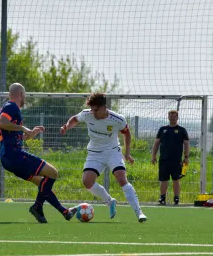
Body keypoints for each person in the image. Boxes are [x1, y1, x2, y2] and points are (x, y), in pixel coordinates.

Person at [60, 92, 147, 222]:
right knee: (87, 182)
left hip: (112, 151)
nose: (93, 113)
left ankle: (139, 212)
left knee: (121, 178)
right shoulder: (87, 114)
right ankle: (110, 201)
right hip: (94, 153)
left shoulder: (117, 119)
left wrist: (127, 154)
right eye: (92, 109)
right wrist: (67, 127)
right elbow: (74, 119)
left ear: (103, 108)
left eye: (96, 110)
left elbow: (127, 133)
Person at [0, 83, 74, 223]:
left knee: (42, 183)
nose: (24, 98)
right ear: (21, 94)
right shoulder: (11, 106)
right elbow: (1, 123)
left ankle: (64, 211)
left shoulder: (7, 108)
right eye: (24, 95)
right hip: (15, 156)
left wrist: (29, 134)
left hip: (7, 158)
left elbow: (11, 132)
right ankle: (37, 207)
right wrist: (24, 128)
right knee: (53, 173)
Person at [151, 110, 190, 205]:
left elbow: (186, 144)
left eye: (174, 116)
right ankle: (162, 197)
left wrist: (186, 157)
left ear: (177, 117)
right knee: (163, 179)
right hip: (164, 160)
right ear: (168, 117)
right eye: (170, 116)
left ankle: (176, 198)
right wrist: (153, 156)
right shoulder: (162, 129)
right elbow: (156, 143)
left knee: (176, 179)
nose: (172, 117)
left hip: (176, 160)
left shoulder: (182, 130)